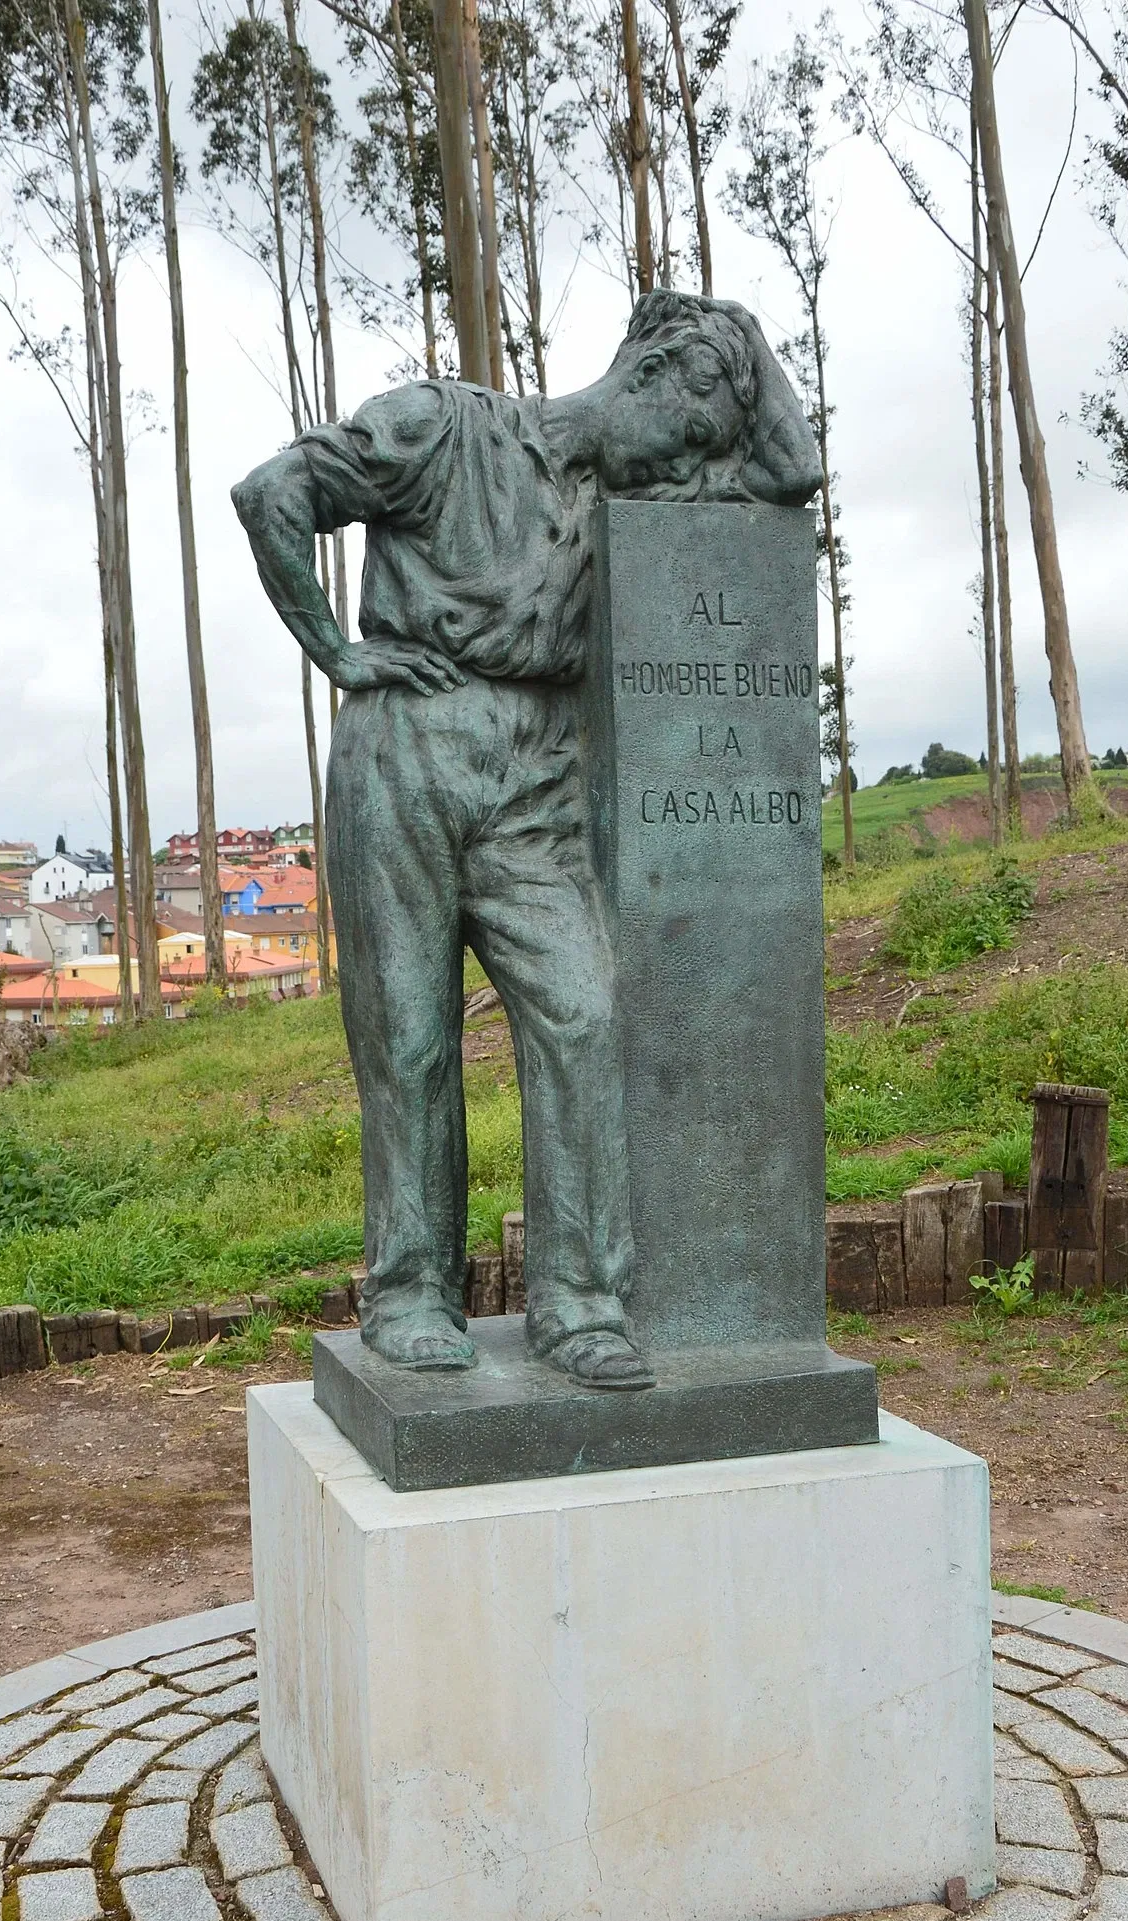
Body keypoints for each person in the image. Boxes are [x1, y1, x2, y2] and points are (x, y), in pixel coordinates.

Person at [233, 290, 820, 1390]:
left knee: (584, 1007)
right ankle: (411, 1291)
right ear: (644, 380)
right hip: (407, 746)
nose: (687, 465)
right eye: (688, 434)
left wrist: (726, 335)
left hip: (538, 774)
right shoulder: (445, 426)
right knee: (409, 1037)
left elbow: (794, 469)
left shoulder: (617, 502)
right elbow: (274, 492)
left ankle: (578, 1301)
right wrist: (337, 652)